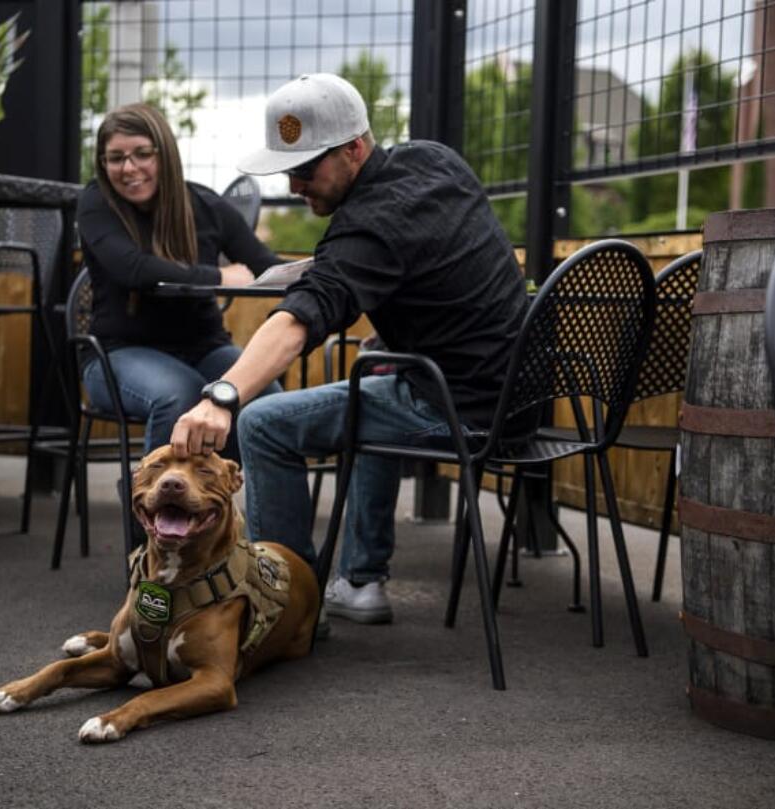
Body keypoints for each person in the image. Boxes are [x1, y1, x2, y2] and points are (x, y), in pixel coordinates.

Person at [170, 73, 527, 625]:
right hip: (521, 395)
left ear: (355, 148)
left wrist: (223, 395)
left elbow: (296, 322)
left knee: (263, 422)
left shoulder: (367, 228)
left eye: (307, 168)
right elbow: (436, 255)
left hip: (461, 410)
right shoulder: (434, 161)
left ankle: (288, 608)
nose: (294, 185)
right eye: (288, 169)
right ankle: (361, 581)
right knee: (375, 371)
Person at [76, 102, 283, 461]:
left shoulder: (206, 206)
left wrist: (324, 269)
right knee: (181, 392)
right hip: (116, 354)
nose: (129, 168)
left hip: (204, 348)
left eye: (142, 154)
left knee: (264, 398)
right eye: (115, 158)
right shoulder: (97, 203)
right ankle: (155, 512)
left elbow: (267, 266)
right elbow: (134, 270)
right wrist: (218, 275)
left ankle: (215, 501)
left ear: (165, 154)